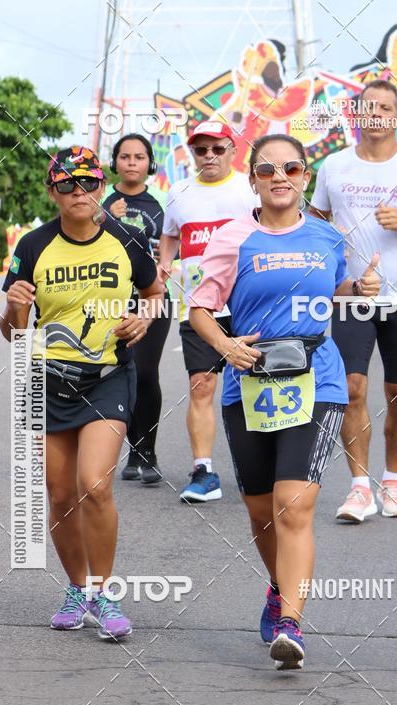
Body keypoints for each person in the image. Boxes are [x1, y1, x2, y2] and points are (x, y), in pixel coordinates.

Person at [188, 134, 380, 670]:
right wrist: (226, 346)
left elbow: (333, 289)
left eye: (292, 167)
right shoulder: (233, 238)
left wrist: (356, 291)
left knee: (293, 506)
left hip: (316, 378)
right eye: (268, 168)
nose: (280, 176)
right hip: (247, 383)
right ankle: (279, 585)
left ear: (304, 177)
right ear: (252, 178)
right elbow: (201, 308)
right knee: (260, 512)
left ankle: (291, 623)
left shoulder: (327, 236)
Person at [0, 146, 162, 639]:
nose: (78, 193)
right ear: (52, 192)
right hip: (47, 380)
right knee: (61, 493)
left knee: (95, 483)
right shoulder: (32, 246)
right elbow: (13, 335)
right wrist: (14, 307)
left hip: (107, 375)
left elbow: (156, 295)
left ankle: (106, 594)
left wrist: (142, 318)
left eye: (88, 183)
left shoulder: (127, 240)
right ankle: (78, 588)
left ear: (101, 187)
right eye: (66, 184)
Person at [310, 79, 397, 523]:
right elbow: (315, 221)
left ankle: (391, 481)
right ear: (357, 113)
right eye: (368, 107)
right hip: (353, 295)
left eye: (384, 108)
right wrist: (330, 251)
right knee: (352, 388)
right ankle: (358, 488)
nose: (376, 114)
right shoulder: (334, 166)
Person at [159, 121, 256, 502]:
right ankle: (204, 471)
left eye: (217, 149)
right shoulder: (179, 192)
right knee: (202, 384)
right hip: (199, 306)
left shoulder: (248, 189)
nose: (210, 156)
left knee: (253, 385)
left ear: (233, 150)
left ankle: (257, 465)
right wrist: (164, 262)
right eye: (202, 150)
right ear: (193, 154)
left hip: (248, 301)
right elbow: (170, 233)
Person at [101, 133, 170, 484]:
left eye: (139, 157)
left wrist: (170, 263)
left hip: (153, 296)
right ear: (114, 162)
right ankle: (133, 449)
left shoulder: (163, 200)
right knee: (120, 372)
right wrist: (105, 217)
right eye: (124, 157)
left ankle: (147, 452)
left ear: (149, 163)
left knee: (145, 372)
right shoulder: (103, 201)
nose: (131, 162)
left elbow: (176, 240)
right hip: (112, 299)